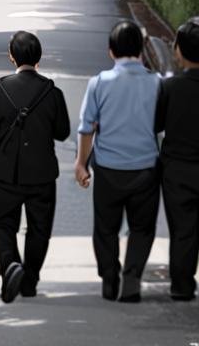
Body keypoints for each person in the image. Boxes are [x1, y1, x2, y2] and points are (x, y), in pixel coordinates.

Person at [0, 30, 70, 303]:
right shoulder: (52, 91)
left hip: (6, 172)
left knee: (3, 225)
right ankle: (29, 282)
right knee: (40, 228)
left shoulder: (0, 87)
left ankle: (10, 264)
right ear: (39, 57)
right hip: (42, 172)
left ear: (11, 56)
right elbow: (63, 131)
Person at [75, 20, 161, 303]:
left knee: (105, 227)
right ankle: (133, 278)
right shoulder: (157, 84)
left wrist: (81, 164)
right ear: (141, 49)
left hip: (109, 169)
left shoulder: (98, 83)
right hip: (146, 168)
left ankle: (109, 277)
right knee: (142, 228)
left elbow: (87, 128)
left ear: (111, 51)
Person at [155, 17, 199, 301]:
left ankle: (181, 285)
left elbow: (155, 124)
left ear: (179, 50)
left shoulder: (170, 88)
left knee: (182, 228)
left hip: (178, 169)